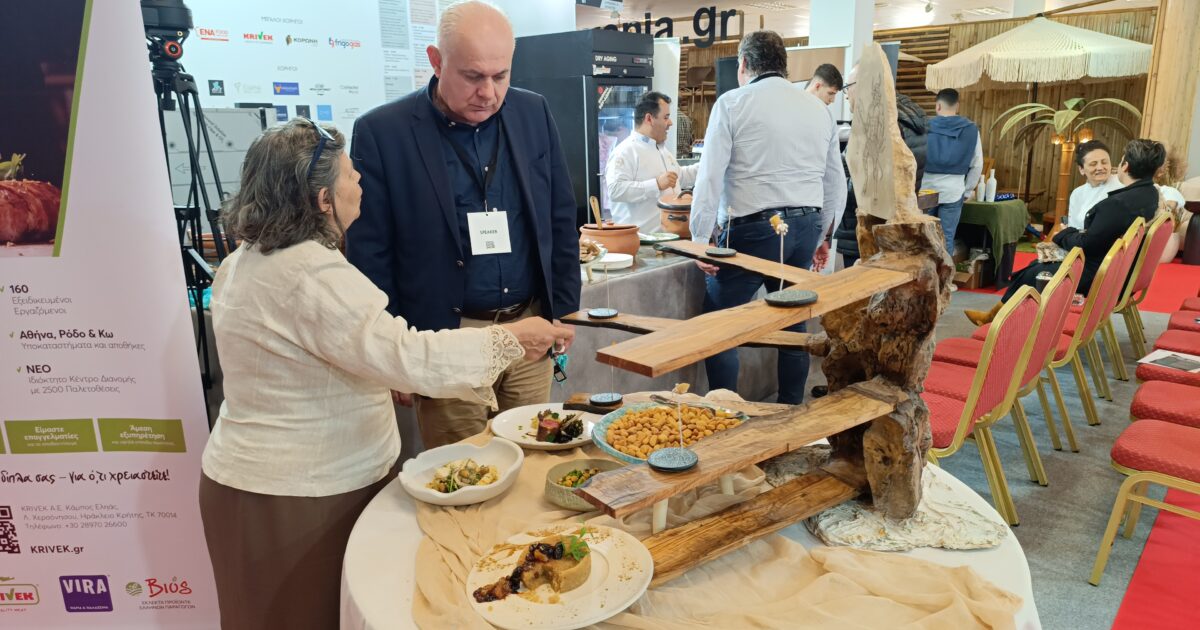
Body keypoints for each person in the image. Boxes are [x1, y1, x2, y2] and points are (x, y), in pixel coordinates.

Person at [199, 119, 570, 629]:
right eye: (351, 174)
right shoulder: (309, 273)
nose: (360, 183)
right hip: (297, 497)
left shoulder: (246, 259)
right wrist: (510, 341)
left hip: (262, 486)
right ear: (324, 200)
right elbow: (408, 357)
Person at [347, 1, 580, 449]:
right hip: (446, 341)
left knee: (535, 458)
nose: (488, 93)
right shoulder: (384, 132)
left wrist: (562, 312)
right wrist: (394, 358)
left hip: (529, 329)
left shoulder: (533, 112)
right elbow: (371, 253)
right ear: (436, 62)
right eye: (473, 76)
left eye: (500, 76)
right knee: (465, 471)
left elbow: (559, 215)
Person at [689, 30, 846, 404]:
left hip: (754, 230)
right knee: (792, 320)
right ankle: (790, 411)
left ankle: (725, 416)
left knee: (721, 324)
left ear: (744, 63)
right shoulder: (819, 110)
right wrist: (825, 235)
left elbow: (709, 177)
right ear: (784, 65)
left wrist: (698, 239)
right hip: (805, 226)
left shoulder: (732, 103)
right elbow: (834, 182)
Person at [965, 138, 1166, 325]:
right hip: (1115, 268)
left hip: (1100, 274)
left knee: (1037, 272)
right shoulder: (1149, 193)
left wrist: (1063, 235)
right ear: (1082, 169)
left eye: (1108, 162)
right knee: (1036, 266)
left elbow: (1088, 243)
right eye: (1093, 164)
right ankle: (1000, 316)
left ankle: (1006, 322)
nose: (1102, 167)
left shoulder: (1117, 204)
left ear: (1125, 166)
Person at [834, 89, 928, 267]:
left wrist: (839, 185)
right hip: (896, 225)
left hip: (866, 225)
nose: (846, 95)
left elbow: (866, 186)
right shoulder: (912, 122)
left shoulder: (878, 122)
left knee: (862, 280)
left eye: (849, 87)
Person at [605, 91, 699, 233]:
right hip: (641, 241)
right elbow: (615, 190)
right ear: (649, 118)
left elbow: (679, 176)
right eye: (666, 117)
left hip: (668, 239)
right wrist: (656, 185)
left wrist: (710, 165)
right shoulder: (625, 151)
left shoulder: (661, 149)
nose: (671, 123)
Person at [921, 88, 982, 260]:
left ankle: (922, 275)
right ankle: (944, 275)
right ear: (957, 106)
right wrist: (967, 190)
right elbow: (977, 164)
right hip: (953, 190)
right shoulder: (971, 129)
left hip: (926, 189)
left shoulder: (924, 126)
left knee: (923, 236)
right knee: (946, 237)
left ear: (938, 106)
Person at [1065, 140, 1121, 230]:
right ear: (1081, 169)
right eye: (1093, 164)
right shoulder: (1077, 193)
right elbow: (1073, 227)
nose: (1100, 168)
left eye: (1104, 162)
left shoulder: (1122, 184)